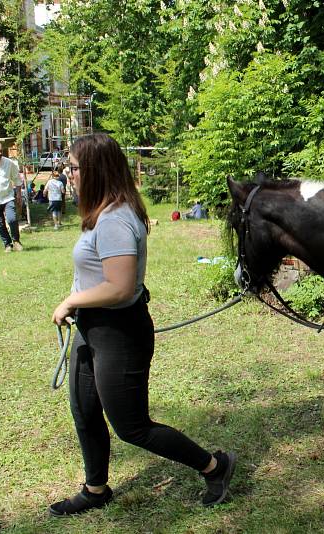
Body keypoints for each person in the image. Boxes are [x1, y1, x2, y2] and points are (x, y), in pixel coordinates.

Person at [49, 133, 236, 516]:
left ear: (96, 170)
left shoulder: (116, 219)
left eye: (74, 167)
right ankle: (96, 488)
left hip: (119, 332)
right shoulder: (99, 213)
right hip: (92, 327)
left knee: (132, 426)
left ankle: (215, 466)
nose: (69, 174)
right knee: (85, 411)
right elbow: (89, 272)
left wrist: (71, 301)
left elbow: (118, 287)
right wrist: (78, 303)